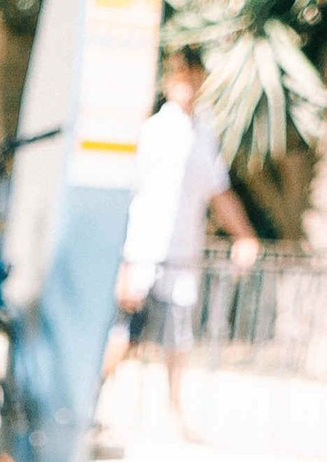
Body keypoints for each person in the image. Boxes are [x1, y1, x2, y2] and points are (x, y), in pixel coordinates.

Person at [116, 45, 254, 432]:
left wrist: (244, 236)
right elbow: (128, 194)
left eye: (195, 76)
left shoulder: (204, 133)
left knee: (177, 340)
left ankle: (175, 415)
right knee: (123, 336)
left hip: (181, 254)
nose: (189, 84)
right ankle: (85, 410)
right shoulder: (152, 131)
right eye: (182, 76)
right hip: (142, 251)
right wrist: (124, 264)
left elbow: (217, 190)